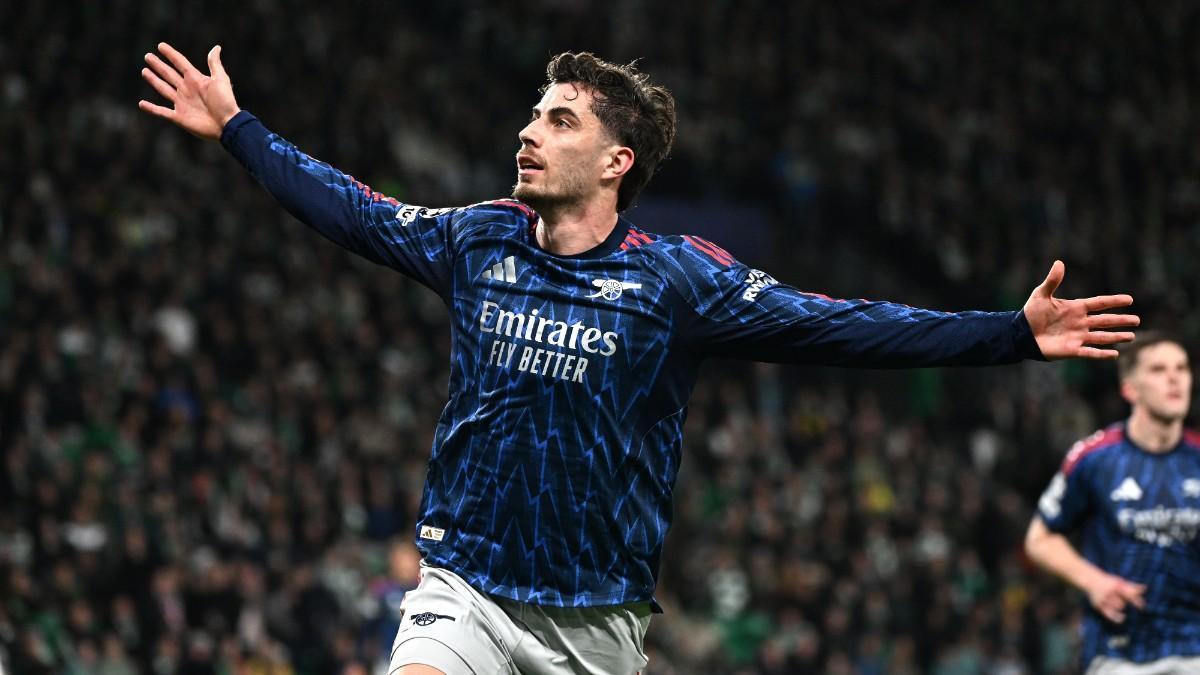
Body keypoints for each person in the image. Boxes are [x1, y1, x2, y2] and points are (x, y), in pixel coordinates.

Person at [139, 42, 1139, 675]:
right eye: (533, 113)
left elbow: (842, 324)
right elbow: (354, 210)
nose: (528, 131)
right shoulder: (475, 239)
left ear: (617, 162)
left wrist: (1010, 332)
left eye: (558, 120)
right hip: (465, 595)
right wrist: (239, 130)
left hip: (598, 630)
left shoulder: (678, 283)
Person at [1026, 333, 1200, 674]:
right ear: (1129, 389)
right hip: (1119, 653)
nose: (1174, 378)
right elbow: (1039, 538)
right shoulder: (1096, 458)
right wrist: (1093, 582)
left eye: (1181, 368)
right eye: (1158, 369)